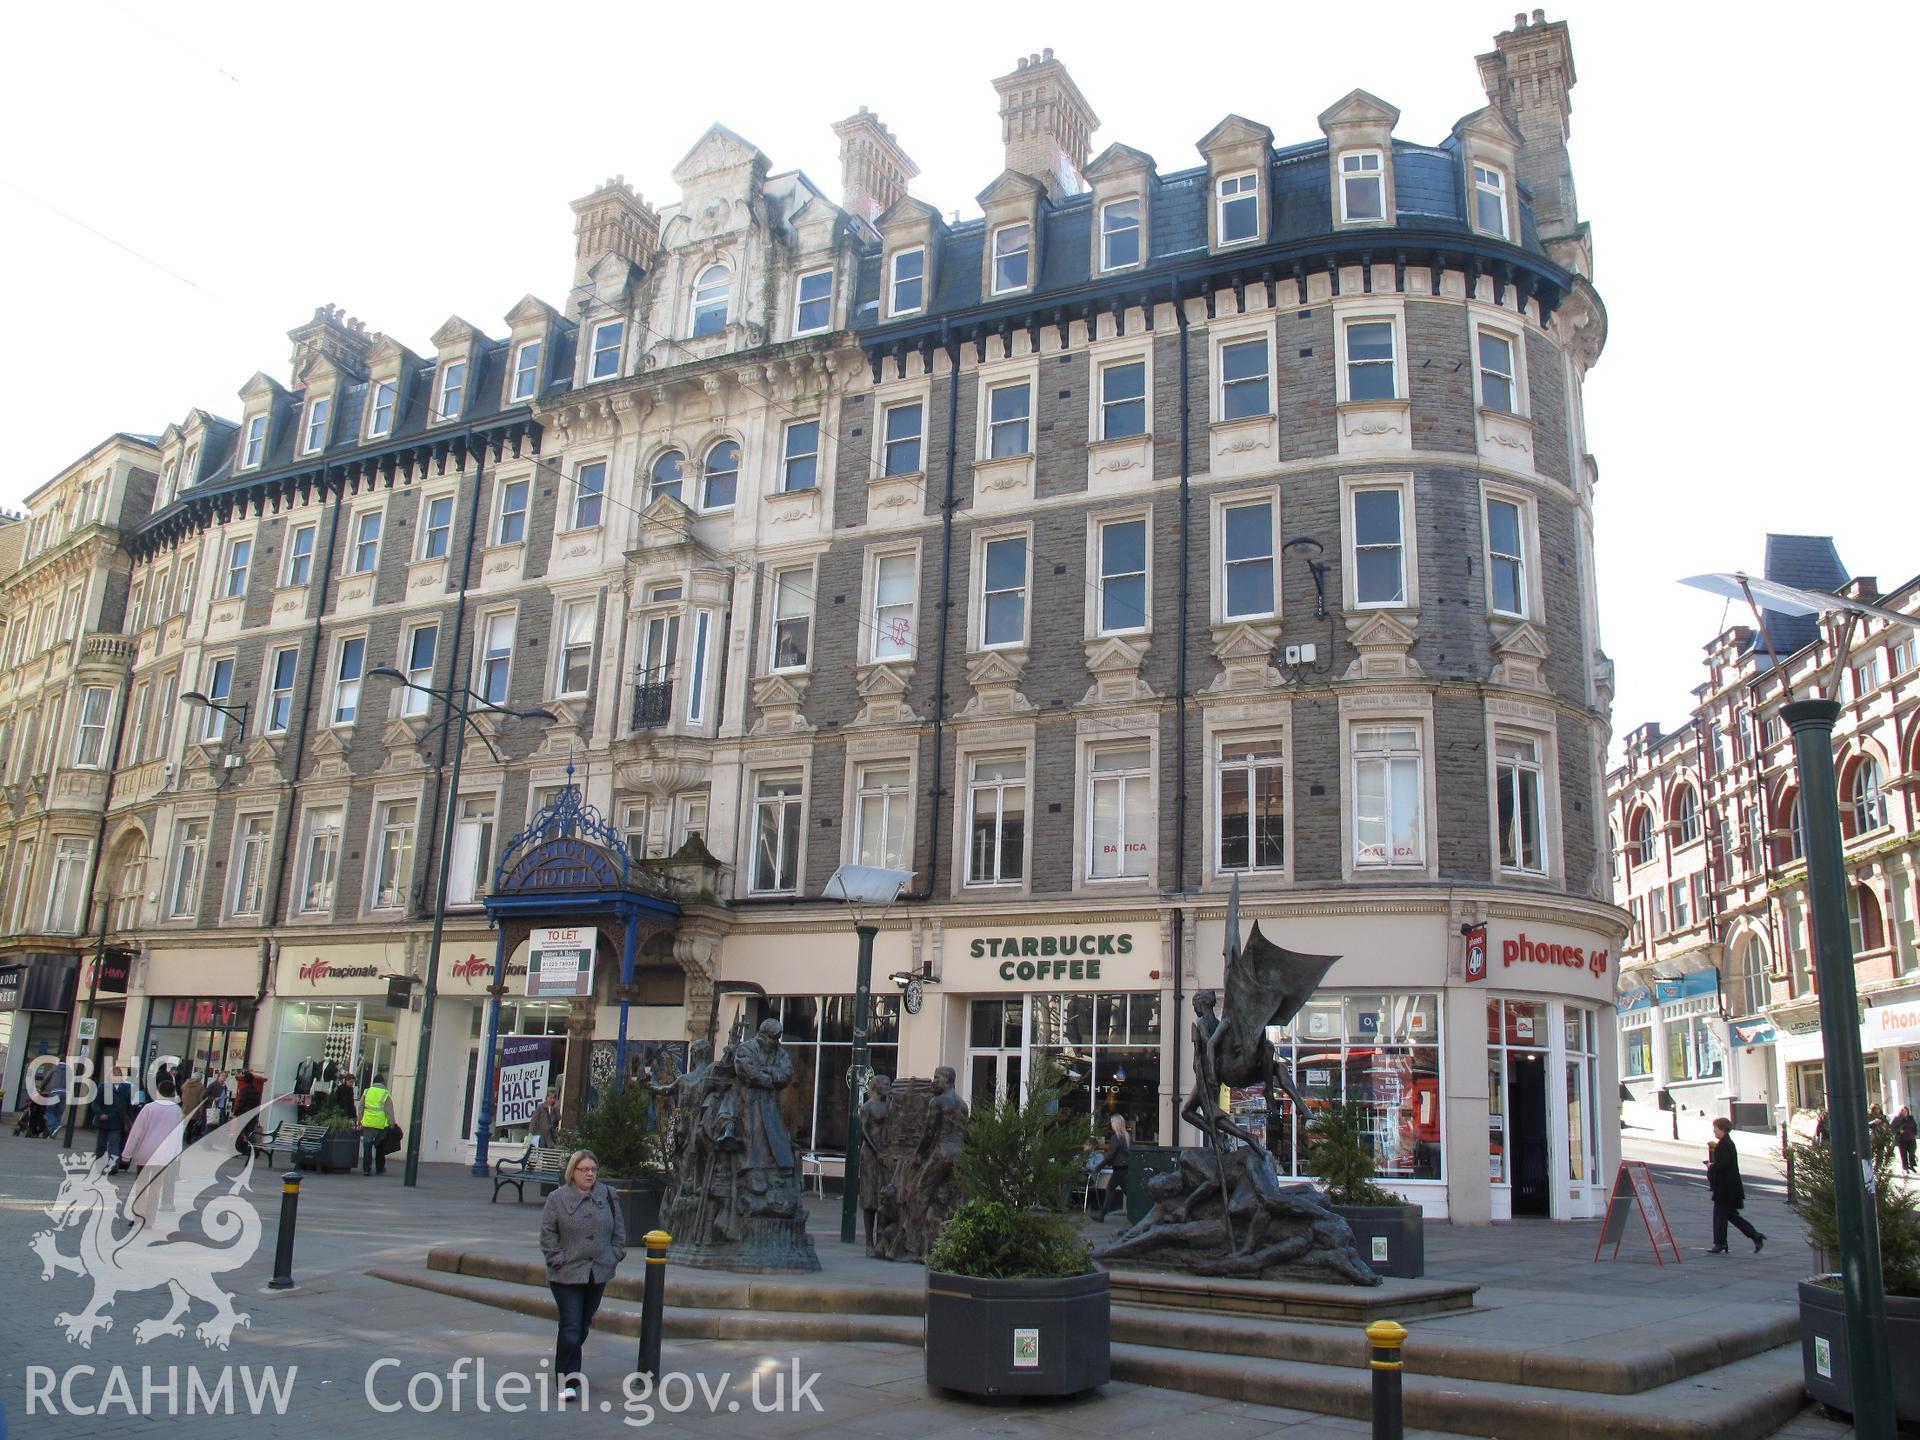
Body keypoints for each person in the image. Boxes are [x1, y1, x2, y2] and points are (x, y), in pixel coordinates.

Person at [539, 1150, 626, 1404]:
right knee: (571, 1325)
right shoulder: (557, 1198)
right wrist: (557, 1258)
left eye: (593, 1169)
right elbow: (547, 1233)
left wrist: (614, 1255)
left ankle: (570, 1366)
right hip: (566, 1274)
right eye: (584, 1169)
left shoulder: (608, 1195)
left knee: (583, 1324)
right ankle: (567, 1379)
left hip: (597, 1271)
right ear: (573, 1172)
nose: (590, 1174)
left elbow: (619, 1231)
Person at [123, 1075, 186, 1229]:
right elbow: (178, 1135)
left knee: (141, 1185)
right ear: (173, 1093)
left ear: (158, 1091)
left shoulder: (148, 1108)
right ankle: (149, 1219)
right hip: (164, 1155)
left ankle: (138, 1215)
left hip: (145, 1152)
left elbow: (136, 1132)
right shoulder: (177, 1111)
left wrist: (127, 1153)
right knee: (156, 1187)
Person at [1706, 1117, 1765, 1254]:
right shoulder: (1726, 1143)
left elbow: (1724, 1165)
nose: (1713, 1130)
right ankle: (1755, 1236)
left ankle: (1720, 1243)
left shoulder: (1724, 1144)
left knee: (1720, 1216)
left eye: (1715, 1128)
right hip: (1730, 1188)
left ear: (1722, 1129)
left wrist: (1711, 1166)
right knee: (1731, 1215)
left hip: (1726, 1189)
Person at [92, 1066, 136, 1172]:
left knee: (114, 1144)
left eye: (119, 1074)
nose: (117, 1076)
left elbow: (127, 1105)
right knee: (101, 1145)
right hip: (102, 1120)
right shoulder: (103, 1087)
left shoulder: (126, 1088)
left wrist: (131, 1121)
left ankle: (113, 1167)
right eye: (114, 1074)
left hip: (117, 1121)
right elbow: (95, 1103)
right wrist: (100, 1113)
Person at [359, 1072, 396, 1176]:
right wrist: (392, 1123)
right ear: (382, 1083)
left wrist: (359, 1120)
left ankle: (367, 1169)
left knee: (367, 1146)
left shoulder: (367, 1091)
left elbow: (361, 1107)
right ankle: (379, 1168)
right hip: (381, 1125)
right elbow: (389, 1110)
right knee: (380, 1147)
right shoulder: (386, 1093)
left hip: (368, 1123)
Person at [1098, 1113, 1131, 1222]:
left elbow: (1111, 1154)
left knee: (1111, 1191)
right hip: (1124, 1169)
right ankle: (1102, 1215)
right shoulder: (1126, 1137)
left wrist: (1099, 1166)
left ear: (1116, 1124)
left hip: (1118, 1170)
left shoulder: (1115, 1138)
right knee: (1115, 1191)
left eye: (1112, 1122)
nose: (1110, 1124)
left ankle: (1102, 1215)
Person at [1894, 1105, 1917, 1175]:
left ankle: (1912, 1166)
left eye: (1905, 1111)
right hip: (1902, 1139)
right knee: (1903, 1154)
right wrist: (1899, 1131)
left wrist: (1914, 1133)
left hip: (1911, 1138)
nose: (1904, 1112)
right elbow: (1892, 1127)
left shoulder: (1910, 1118)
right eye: (1902, 1111)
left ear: (1907, 1111)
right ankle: (1905, 1168)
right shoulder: (1897, 1118)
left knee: (1912, 1152)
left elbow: (1915, 1126)